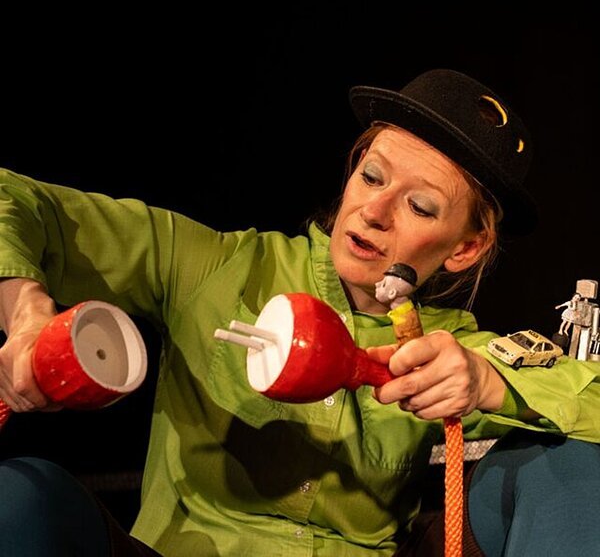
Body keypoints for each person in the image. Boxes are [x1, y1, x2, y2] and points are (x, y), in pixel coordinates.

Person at [0, 68, 598, 557]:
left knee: (573, 464)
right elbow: (15, 198)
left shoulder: (453, 348)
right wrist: (26, 312)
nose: (374, 211)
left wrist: (487, 382)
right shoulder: (216, 266)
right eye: (371, 177)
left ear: (465, 248)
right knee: (25, 493)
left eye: (419, 206)